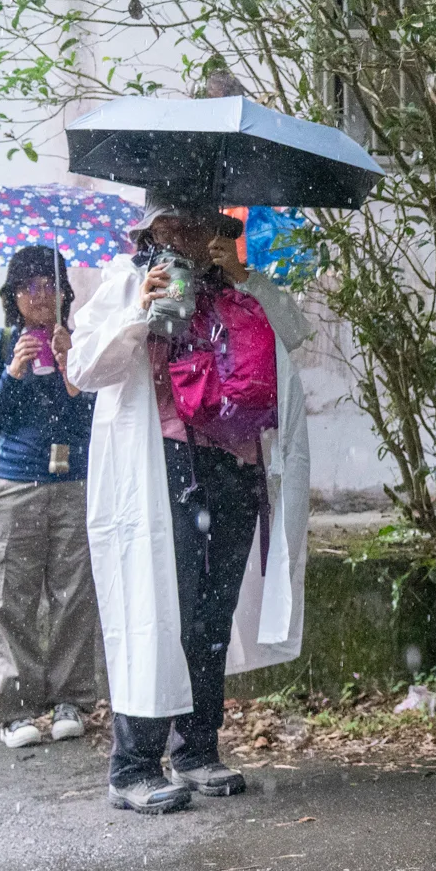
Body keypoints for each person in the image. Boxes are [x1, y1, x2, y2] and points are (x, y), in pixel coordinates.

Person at [68, 194, 311, 815]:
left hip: (231, 464)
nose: (186, 238)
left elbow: (295, 334)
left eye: (199, 227)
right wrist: (139, 314)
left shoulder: (233, 290)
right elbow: (83, 369)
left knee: (212, 613)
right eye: (173, 225)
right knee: (155, 607)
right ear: (151, 231)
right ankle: (134, 764)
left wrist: (244, 277)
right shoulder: (127, 283)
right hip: (161, 468)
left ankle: (197, 748)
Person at [0, 245, 100, 749]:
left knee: (74, 595)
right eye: (29, 286)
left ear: (65, 292)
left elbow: (93, 420)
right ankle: (17, 710)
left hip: (73, 484)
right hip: (11, 487)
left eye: (50, 284)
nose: (40, 294)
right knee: (10, 599)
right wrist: (15, 372)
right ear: (13, 296)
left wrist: (73, 372)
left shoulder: (80, 341)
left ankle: (71, 700)